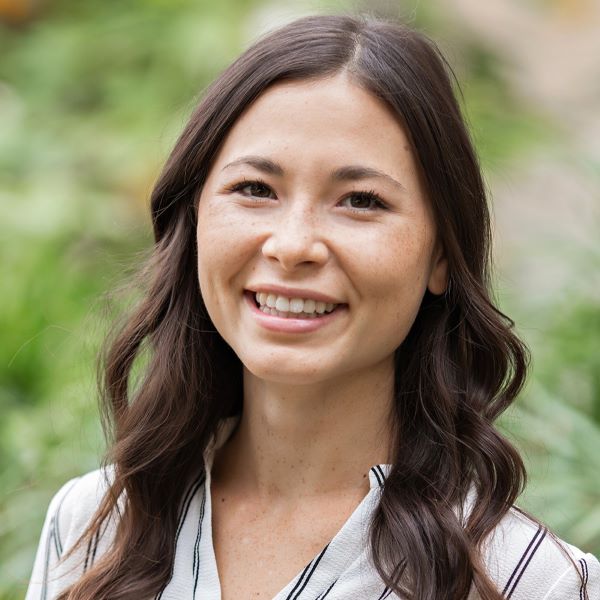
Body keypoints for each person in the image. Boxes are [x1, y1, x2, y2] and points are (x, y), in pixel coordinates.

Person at [25, 13, 599, 600]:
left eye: (360, 200)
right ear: (195, 218)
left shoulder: (528, 581)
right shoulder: (94, 528)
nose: (293, 245)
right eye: (255, 189)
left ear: (442, 256)